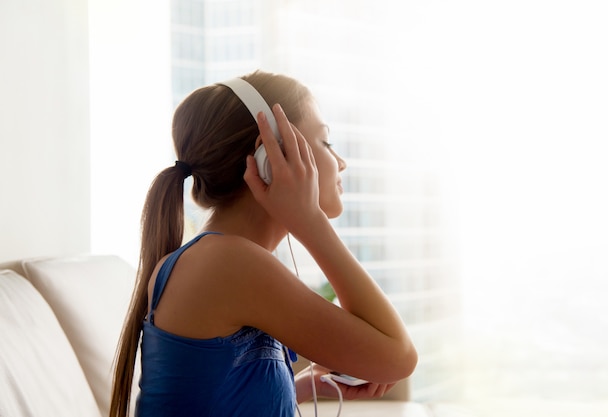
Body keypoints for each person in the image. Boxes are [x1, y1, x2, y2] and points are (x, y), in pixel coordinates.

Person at [109, 70, 417, 417]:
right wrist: (310, 223)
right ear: (271, 157)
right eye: (326, 142)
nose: (340, 162)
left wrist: (301, 387)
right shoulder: (227, 264)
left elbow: (207, 394)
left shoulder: (222, 259)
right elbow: (399, 358)